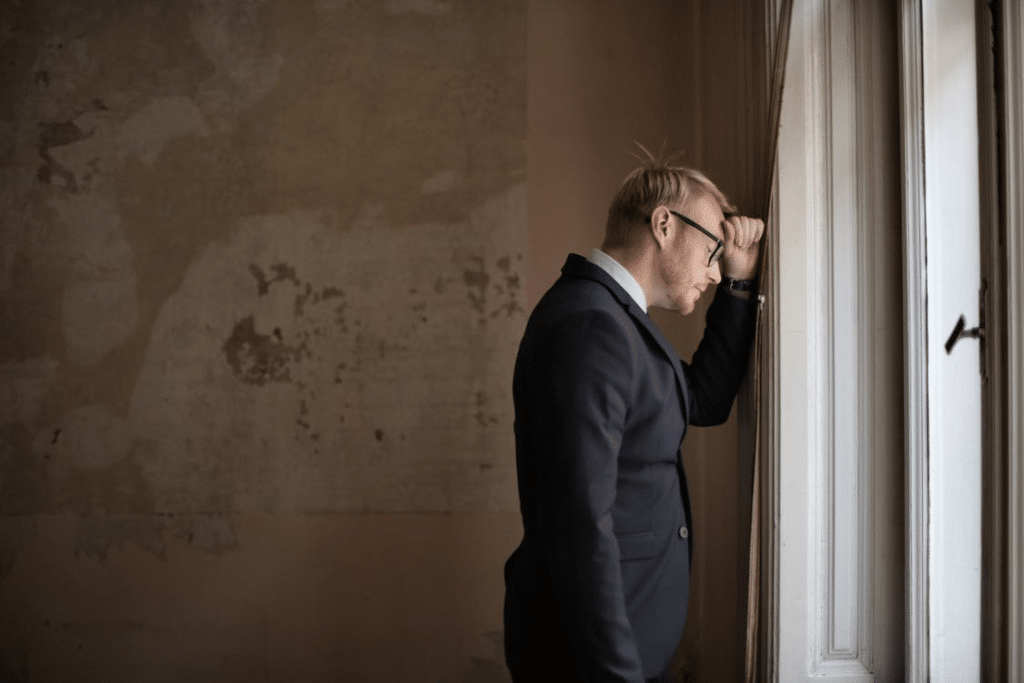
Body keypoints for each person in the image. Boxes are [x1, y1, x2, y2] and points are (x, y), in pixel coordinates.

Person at [502, 156, 764, 682]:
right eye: (713, 250)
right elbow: (578, 528)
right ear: (664, 225)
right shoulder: (590, 326)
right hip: (590, 661)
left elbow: (702, 401)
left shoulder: (614, 320)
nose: (714, 271)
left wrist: (739, 283)